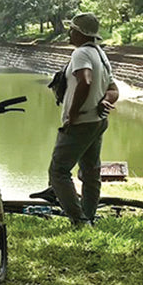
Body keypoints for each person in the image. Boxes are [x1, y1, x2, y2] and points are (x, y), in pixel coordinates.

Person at [48, 11, 120, 226]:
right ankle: (88, 217)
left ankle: (78, 220)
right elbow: (113, 89)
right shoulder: (100, 53)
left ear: (80, 33)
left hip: (81, 123)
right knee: (90, 172)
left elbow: (85, 81)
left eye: (72, 30)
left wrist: (73, 113)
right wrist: (106, 100)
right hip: (97, 122)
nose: (69, 33)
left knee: (58, 171)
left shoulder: (81, 54)